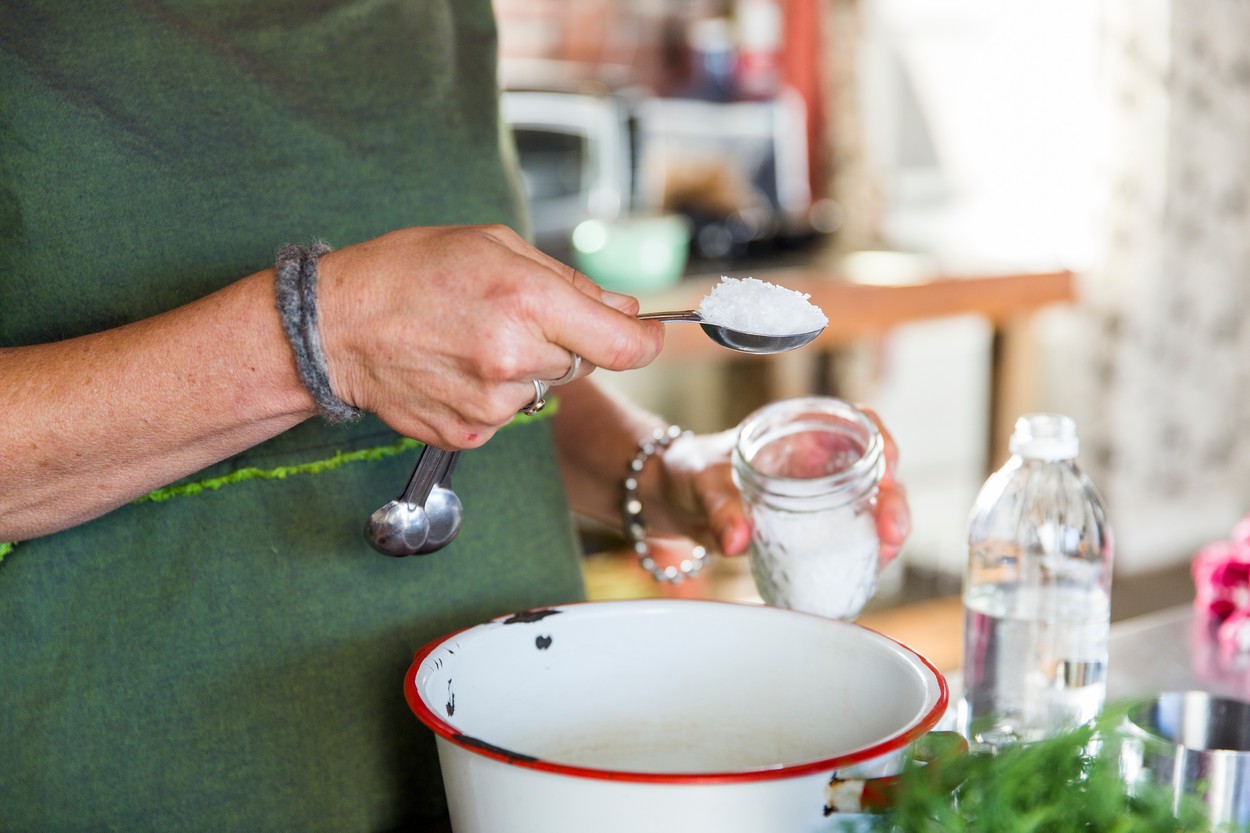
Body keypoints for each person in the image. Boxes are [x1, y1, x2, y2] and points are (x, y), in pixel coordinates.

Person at [0, 2, 910, 831]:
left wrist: (662, 469)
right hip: (135, 773)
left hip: (518, 768)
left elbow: (484, 351)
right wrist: (322, 335)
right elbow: (378, 328)